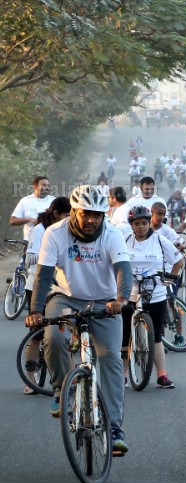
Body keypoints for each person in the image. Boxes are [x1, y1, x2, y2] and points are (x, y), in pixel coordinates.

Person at [26, 185, 133, 454]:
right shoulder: (55, 233)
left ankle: (115, 428)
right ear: (74, 212)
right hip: (66, 298)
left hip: (105, 302)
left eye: (97, 214)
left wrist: (120, 300)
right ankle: (62, 389)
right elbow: (45, 274)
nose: (91, 220)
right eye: (85, 214)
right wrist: (35, 311)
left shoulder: (112, 234)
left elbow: (123, 269)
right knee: (53, 338)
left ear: (103, 214)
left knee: (110, 357)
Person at [121, 205, 183, 389]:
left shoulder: (160, 240)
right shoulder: (124, 240)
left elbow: (178, 261)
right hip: (129, 294)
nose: (141, 227)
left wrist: (170, 279)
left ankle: (162, 375)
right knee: (124, 336)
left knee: (156, 335)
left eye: (144, 223)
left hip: (155, 294)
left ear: (150, 223)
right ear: (131, 225)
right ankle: (124, 375)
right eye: (137, 223)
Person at [20, 197, 71, 393]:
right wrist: (47, 257)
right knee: (36, 334)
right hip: (38, 285)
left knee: (64, 334)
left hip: (60, 289)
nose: (68, 219)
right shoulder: (39, 230)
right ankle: (30, 379)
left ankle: (69, 376)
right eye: (66, 215)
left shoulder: (67, 231)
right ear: (56, 214)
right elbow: (30, 257)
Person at [9, 175, 54, 240]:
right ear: (35, 186)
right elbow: (13, 221)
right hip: (30, 241)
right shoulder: (25, 201)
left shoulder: (54, 201)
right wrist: (30, 219)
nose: (47, 188)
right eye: (44, 185)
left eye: (48, 185)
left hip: (49, 241)